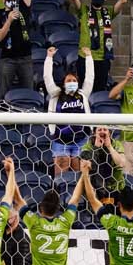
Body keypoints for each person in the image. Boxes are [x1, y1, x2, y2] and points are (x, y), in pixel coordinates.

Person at [71, 0, 127, 90]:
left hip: (103, 58)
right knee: (83, 90)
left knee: (100, 90)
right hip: (85, 58)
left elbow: (123, 1)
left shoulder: (108, 12)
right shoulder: (84, 11)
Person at [45, 46, 95, 176]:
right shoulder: (56, 95)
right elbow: (47, 78)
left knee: (79, 175)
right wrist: (49, 58)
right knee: (61, 175)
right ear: (63, 83)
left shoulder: (83, 95)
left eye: (74, 80)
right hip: (60, 140)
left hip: (80, 140)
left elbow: (90, 78)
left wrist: (89, 57)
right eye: (69, 80)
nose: (72, 82)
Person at [79, 126, 127, 205]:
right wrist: (96, 148)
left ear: (109, 133)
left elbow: (121, 163)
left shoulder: (116, 144)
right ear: (94, 133)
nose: (102, 132)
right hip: (95, 189)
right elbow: (87, 166)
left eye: (105, 130)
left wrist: (109, 147)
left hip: (116, 188)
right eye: (99, 130)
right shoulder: (88, 146)